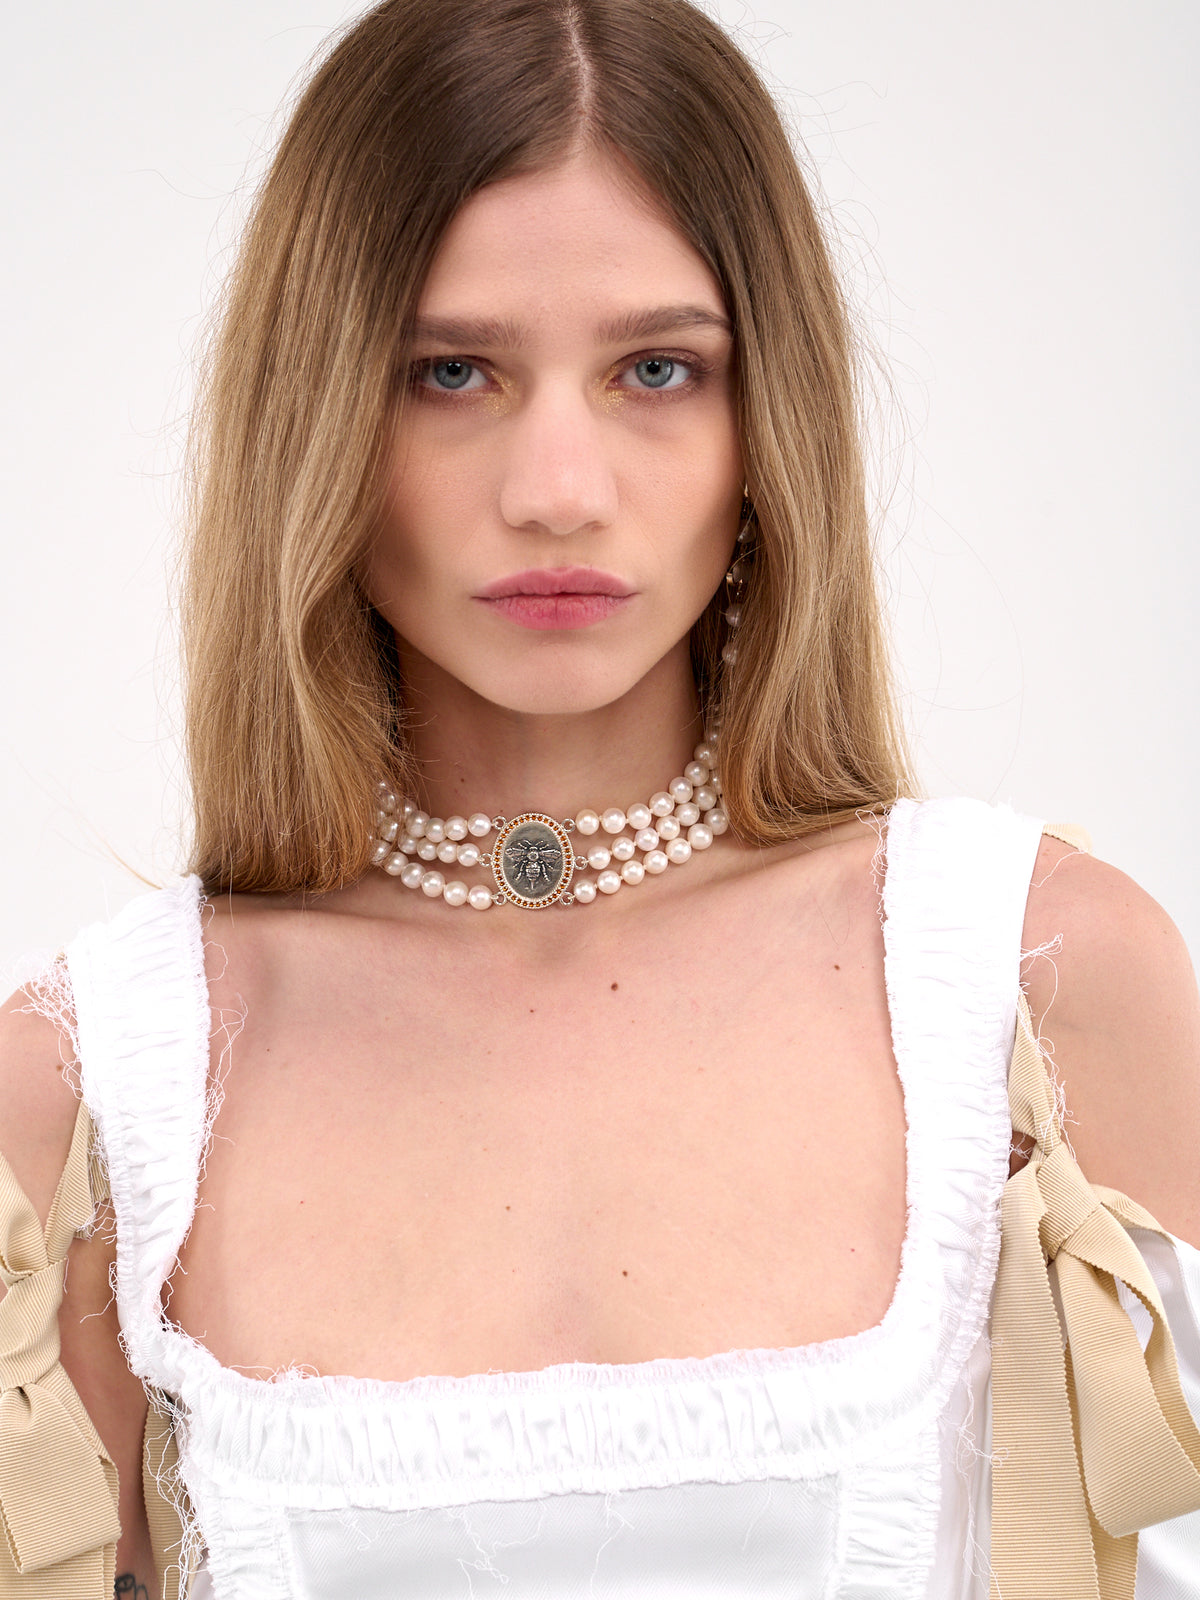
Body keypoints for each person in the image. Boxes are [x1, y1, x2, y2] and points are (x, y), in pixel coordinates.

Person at [2, 1, 1198, 1596]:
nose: (558, 489)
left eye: (656, 368)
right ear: (318, 414)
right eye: (450, 372)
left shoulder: (1038, 986)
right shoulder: (86, 1095)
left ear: (766, 420)